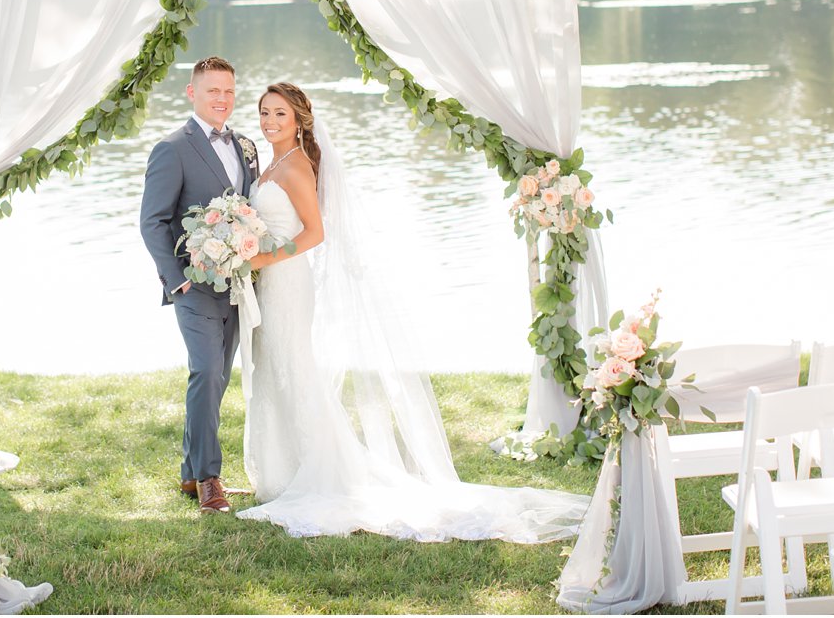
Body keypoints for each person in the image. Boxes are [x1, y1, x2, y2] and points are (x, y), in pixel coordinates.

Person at [235, 82, 588, 542]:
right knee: (276, 370)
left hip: (287, 281)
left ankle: (315, 473)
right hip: (272, 281)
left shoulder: (297, 166)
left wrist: (262, 259)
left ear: (300, 118)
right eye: (264, 113)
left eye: (279, 114)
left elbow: (314, 233)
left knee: (293, 369)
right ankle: (282, 473)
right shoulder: (274, 162)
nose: (269, 122)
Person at [139, 56, 259, 514]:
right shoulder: (172, 148)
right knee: (207, 372)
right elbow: (154, 222)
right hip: (194, 285)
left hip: (237, 285)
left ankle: (190, 475)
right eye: (213, 90)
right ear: (192, 93)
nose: (222, 99)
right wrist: (177, 282)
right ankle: (210, 478)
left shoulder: (247, 145)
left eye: (229, 90)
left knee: (217, 378)